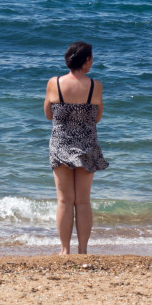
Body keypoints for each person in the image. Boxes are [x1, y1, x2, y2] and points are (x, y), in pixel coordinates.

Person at [43, 41, 108, 255]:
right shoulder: (95, 86)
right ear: (86, 60)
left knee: (64, 199)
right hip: (87, 146)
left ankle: (64, 250)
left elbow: (48, 114)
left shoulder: (54, 83)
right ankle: (83, 249)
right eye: (92, 58)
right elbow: (97, 118)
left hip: (60, 143)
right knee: (83, 201)